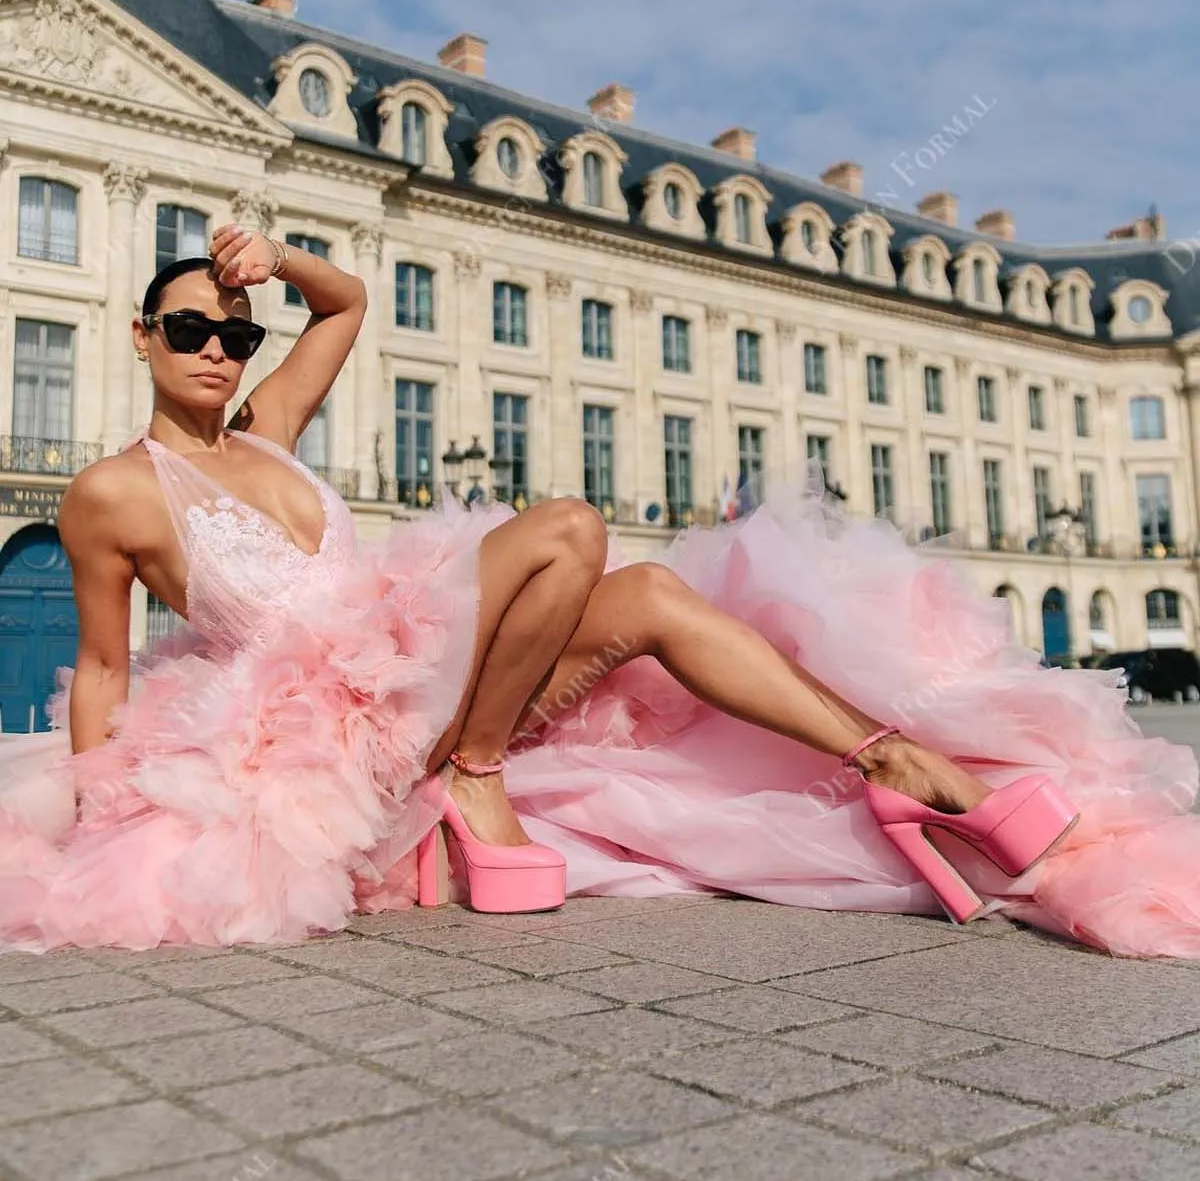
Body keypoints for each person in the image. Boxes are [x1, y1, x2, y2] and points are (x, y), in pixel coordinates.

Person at [1, 229, 1197, 957]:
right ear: (145, 339)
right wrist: (103, 813)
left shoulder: (272, 428)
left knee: (657, 601)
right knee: (569, 522)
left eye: (236, 332)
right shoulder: (114, 494)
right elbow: (105, 666)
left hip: (434, 669)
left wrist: (276, 258)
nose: (219, 347)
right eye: (193, 328)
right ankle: (473, 776)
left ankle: (889, 760)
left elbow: (349, 301)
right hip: (333, 732)